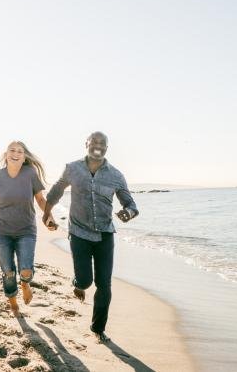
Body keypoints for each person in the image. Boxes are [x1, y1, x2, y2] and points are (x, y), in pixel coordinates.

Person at [43, 131, 139, 343]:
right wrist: (47, 212)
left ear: (107, 147)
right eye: (94, 142)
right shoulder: (73, 168)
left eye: (102, 143)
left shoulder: (116, 175)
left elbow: (131, 205)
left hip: (105, 234)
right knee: (86, 281)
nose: (98, 145)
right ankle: (78, 283)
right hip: (79, 232)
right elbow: (56, 190)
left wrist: (128, 213)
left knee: (104, 284)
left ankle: (98, 328)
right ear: (86, 144)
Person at [0, 141, 58, 316]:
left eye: (20, 151)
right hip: (1, 232)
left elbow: (40, 199)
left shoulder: (30, 173)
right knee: (8, 272)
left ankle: (25, 283)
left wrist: (49, 217)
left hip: (26, 230)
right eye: (12, 150)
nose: (16, 153)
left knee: (25, 269)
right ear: (6, 154)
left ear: (24, 156)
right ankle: (13, 303)